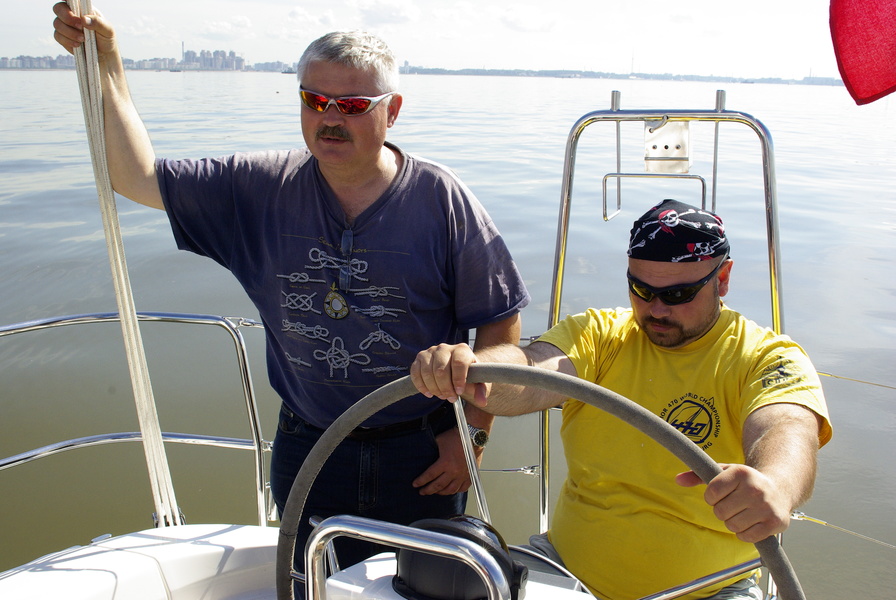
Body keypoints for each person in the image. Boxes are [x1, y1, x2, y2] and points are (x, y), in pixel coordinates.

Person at [52, 4, 530, 566]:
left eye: (351, 106)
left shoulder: (443, 201)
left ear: (391, 111)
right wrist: (107, 61)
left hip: (422, 450)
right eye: (314, 100)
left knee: (422, 587)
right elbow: (134, 176)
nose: (330, 118)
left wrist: (472, 432)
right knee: (309, 582)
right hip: (308, 446)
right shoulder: (257, 189)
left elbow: (501, 322)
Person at [411, 199, 832, 600]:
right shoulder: (600, 334)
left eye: (678, 295)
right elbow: (532, 369)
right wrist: (475, 371)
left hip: (713, 588)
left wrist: (775, 484)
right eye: (640, 289)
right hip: (564, 570)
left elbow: (787, 427)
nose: (656, 309)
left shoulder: (766, 357)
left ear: (722, 280)